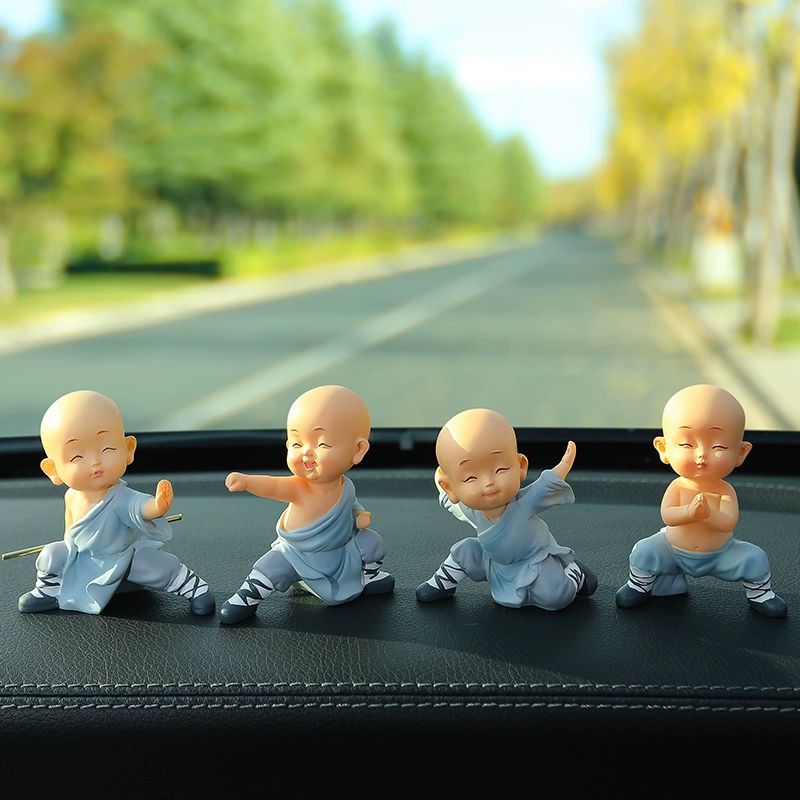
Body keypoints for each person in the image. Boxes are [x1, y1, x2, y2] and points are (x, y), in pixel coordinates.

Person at [18, 390, 215, 616]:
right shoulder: (71, 496)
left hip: (120, 558)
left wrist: (157, 506)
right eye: (76, 457)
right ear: (52, 470)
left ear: (128, 449)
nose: (96, 462)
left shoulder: (120, 496)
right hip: (84, 559)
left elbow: (138, 506)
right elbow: (71, 532)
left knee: (153, 566)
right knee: (51, 554)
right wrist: (70, 554)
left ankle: (193, 587)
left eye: (108, 449)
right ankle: (50, 590)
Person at [219, 385, 393, 624]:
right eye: (296, 444)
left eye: (322, 444)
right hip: (298, 555)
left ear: (358, 450)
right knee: (271, 565)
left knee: (373, 542)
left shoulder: (346, 486)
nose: (306, 454)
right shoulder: (300, 487)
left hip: (341, 552)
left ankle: (369, 576)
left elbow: (350, 505)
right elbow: (274, 486)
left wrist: (359, 515)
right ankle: (247, 597)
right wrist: (247, 482)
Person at [615, 384, 787, 618]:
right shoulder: (677, 486)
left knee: (755, 557)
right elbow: (668, 515)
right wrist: (689, 511)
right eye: (686, 444)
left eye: (719, 446)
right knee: (644, 550)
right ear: (663, 448)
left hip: (720, 554)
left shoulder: (724, 490)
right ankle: (639, 585)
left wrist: (707, 514)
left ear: (740, 453)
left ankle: (760, 594)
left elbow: (728, 522)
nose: (701, 455)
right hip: (673, 551)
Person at [416, 408, 596, 610]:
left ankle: (573, 573)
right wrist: (440, 483)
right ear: (451, 487)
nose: (489, 483)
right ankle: (444, 581)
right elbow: (450, 502)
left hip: (534, 562)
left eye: (500, 469)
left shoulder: (524, 503)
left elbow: (545, 485)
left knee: (555, 597)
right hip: (494, 564)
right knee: (464, 550)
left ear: (520, 466)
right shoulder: (471, 511)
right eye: (470, 478)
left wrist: (562, 467)